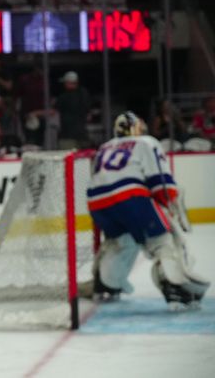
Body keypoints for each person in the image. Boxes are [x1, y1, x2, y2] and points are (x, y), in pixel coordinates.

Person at [86, 111, 209, 308]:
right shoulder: (146, 142)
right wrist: (170, 203)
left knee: (121, 242)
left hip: (97, 203)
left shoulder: (104, 147)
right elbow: (159, 179)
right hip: (130, 198)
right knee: (163, 241)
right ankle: (175, 287)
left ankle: (106, 284)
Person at [54, 71, 90, 149]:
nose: (65, 85)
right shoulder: (84, 94)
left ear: (70, 83)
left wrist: (36, 113)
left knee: (69, 157)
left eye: (66, 83)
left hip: (68, 136)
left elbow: (53, 111)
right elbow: (89, 115)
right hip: (82, 134)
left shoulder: (64, 97)